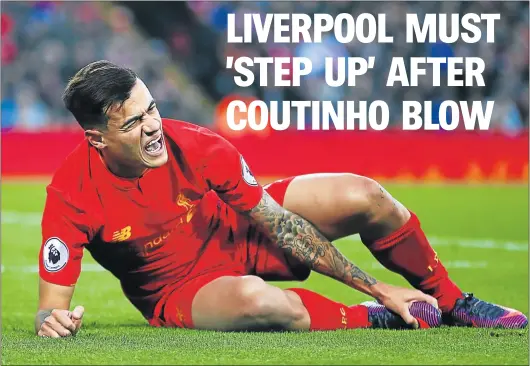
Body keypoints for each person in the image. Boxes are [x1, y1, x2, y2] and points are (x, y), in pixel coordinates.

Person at [35, 61, 527, 338]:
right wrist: (53, 322)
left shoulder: (199, 146)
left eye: (153, 109)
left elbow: (277, 222)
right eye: (133, 123)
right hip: (182, 289)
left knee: (365, 194)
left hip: (241, 230)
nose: (153, 128)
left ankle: (452, 300)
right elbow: (48, 310)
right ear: (97, 139)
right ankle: (373, 320)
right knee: (259, 303)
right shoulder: (71, 197)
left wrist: (379, 284)